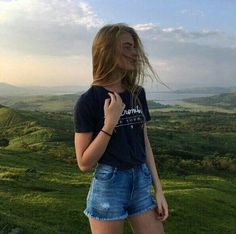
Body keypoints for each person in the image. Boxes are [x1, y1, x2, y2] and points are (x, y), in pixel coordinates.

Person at [74, 23, 168, 234]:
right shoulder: (88, 101)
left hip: (141, 182)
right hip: (109, 186)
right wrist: (110, 123)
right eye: (127, 47)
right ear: (106, 50)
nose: (134, 53)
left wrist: (159, 190)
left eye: (134, 47)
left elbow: (145, 143)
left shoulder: (137, 93)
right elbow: (84, 162)